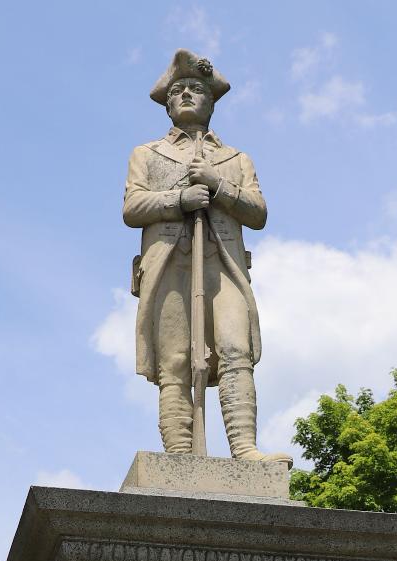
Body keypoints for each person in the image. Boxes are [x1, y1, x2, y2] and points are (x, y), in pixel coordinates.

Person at [123, 49, 289, 462]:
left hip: (223, 264)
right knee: (175, 360)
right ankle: (179, 455)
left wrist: (217, 185)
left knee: (236, 350)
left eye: (195, 89)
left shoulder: (236, 159)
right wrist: (179, 198)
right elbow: (132, 208)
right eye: (176, 90)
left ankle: (244, 449)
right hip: (168, 264)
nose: (185, 95)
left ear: (211, 101)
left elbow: (258, 212)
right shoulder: (147, 153)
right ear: (166, 104)